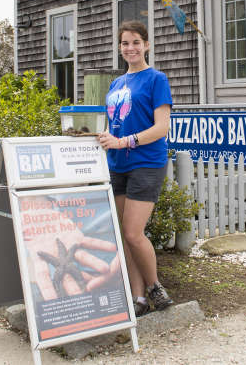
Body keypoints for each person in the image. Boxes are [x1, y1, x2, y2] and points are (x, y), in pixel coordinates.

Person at [98, 20, 174, 317]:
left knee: (132, 232)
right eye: (125, 43)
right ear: (120, 48)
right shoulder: (116, 84)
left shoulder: (156, 79)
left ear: (147, 45)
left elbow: (161, 128)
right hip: (117, 165)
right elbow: (115, 124)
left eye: (135, 42)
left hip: (146, 163)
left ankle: (155, 287)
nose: (130, 48)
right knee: (124, 234)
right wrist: (102, 136)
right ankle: (138, 298)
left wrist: (124, 142)